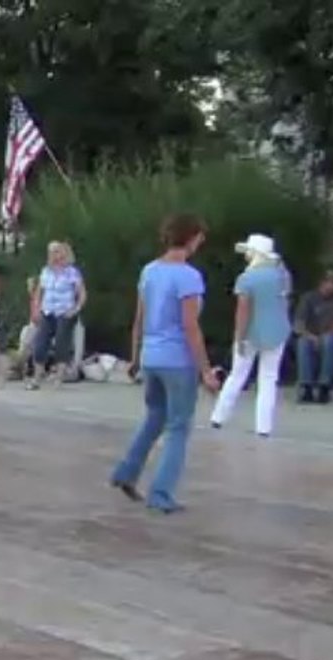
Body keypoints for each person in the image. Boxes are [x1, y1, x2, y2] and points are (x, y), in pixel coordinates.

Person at [110, 214, 219, 513]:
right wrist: (206, 370)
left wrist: (135, 355)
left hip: (152, 355)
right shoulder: (188, 276)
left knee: (154, 416)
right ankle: (161, 493)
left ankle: (126, 471)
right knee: (179, 427)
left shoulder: (150, 271)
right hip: (177, 359)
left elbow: (139, 319)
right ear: (192, 238)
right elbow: (190, 326)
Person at [209, 234, 292, 437]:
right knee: (269, 378)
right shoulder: (282, 276)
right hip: (278, 330)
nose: (246, 255)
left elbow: (243, 310)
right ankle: (264, 427)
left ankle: (218, 417)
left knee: (237, 375)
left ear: (255, 254)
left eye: (248, 252)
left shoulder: (247, 279)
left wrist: (239, 337)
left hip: (251, 333)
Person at [27, 241, 85, 389]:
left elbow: (82, 293)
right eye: (52, 252)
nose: (54, 255)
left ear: (64, 254)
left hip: (64, 311)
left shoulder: (72, 272)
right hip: (48, 310)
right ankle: (37, 378)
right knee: (40, 342)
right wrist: (35, 309)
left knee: (61, 342)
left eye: (57, 252)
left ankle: (59, 378)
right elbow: (39, 292)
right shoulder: (46, 271)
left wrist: (75, 309)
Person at [292, 269, 333, 404]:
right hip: (312, 336)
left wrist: (330, 333)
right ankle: (307, 387)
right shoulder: (308, 298)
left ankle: (324, 387)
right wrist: (311, 337)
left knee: (329, 341)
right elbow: (298, 325)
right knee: (303, 343)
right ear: (323, 283)